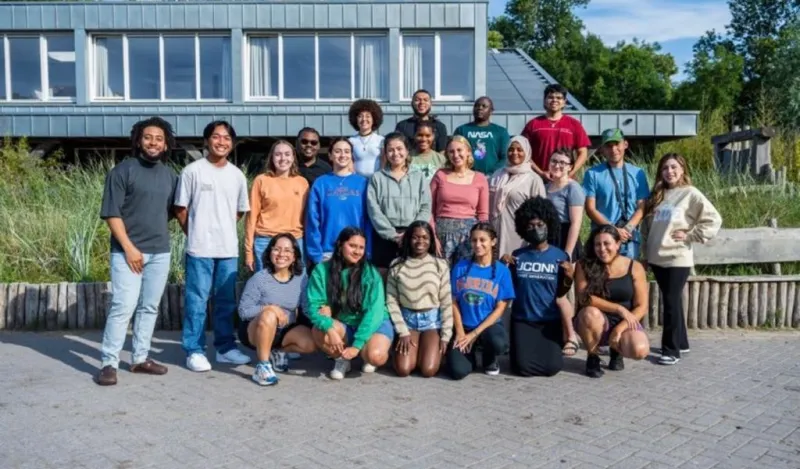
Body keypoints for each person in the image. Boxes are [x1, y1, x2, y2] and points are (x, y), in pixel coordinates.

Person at [96, 117, 178, 386]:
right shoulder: (122, 171)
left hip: (160, 252)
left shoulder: (170, 175)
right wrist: (130, 248)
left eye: (159, 138)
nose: (153, 142)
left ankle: (140, 358)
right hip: (127, 253)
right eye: (148, 137)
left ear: (166, 144)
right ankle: (109, 362)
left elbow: (169, 213)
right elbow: (111, 213)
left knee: (149, 307)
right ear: (138, 140)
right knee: (123, 306)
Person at [175, 120, 252, 372]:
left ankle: (225, 348)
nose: (222, 142)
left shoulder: (237, 175)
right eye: (217, 137)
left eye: (227, 138)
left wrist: (222, 230)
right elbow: (181, 209)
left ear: (232, 143)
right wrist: (196, 232)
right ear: (207, 140)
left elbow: (239, 211)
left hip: (227, 249)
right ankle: (194, 350)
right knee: (196, 301)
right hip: (199, 249)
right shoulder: (193, 171)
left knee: (226, 302)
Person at [641, 153, 721, 366]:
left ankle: (671, 350)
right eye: (665, 168)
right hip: (656, 258)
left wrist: (691, 235)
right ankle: (682, 342)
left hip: (677, 257)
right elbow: (647, 228)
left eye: (674, 167)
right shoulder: (657, 195)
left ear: (683, 169)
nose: (670, 171)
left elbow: (713, 219)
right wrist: (645, 254)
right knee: (672, 300)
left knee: (670, 301)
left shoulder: (690, 194)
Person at [306, 227, 395, 380]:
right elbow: (313, 307)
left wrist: (357, 345)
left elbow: (374, 313)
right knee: (319, 330)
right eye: (352, 246)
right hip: (344, 323)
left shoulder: (370, 274)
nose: (357, 251)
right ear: (340, 245)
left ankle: (365, 351)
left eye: (361, 247)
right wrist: (330, 330)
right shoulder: (321, 270)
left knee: (376, 356)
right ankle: (342, 359)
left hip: (374, 323)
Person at [504, 197, 577, 377]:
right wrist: (502, 266)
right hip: (523, 319)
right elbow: (508, 288)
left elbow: (561, 293)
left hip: (549, 320)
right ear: (523, 229)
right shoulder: (517, 256)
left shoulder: (559, 256)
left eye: (540, 224)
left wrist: (569, 278)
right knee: (522, 368)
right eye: (530, 226)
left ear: (548, 224)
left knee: (552, 367)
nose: (536, 229)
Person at [237, 234, 317, 386]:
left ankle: (278, 352)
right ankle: (262, 366)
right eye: (277, 249)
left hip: (285, 329)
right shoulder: (259, 279)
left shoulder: (301, 279)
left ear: (294, 257)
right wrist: (270, 308)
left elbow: (306, 307)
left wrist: (323, 317)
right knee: (268, 315)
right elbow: (243, 311)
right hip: (255, 329)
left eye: (287, 250)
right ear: (270, 252)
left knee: (310, 343)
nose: (281, 254)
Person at [575, 225, 651, 378]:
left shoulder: (634, 267)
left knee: (639, 350)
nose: (602, 249)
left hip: (625, 321)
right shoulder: (583, 265)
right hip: (596, 320)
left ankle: (616, 351)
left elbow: (642, 306)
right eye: (597, 244)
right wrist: (618, 308)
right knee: (590, 313)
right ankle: (593, 356)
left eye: (606, 244)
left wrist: (619, 329)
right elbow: (584, 297)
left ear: (618, 244)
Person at [446, 223, 515, 379]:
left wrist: (475, 334)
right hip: (464, 327)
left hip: (487, 328)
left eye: (482, 240)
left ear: (493, 242)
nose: (477, 245)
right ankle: (469, 356)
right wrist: (461, 333)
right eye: (474, 240)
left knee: (499, 343)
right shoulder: (460, 267)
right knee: (458, 371)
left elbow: (499, 309)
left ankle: (489, 357)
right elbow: (453, 301)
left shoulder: (502, 271)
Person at [386, 221, 453, 378]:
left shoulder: (440, 264)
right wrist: (402, 331)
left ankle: (431, 354)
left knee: (428, 370)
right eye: (415, 237)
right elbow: (391, 300)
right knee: (403, 369)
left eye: (425, 237)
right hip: (408, 321)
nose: (420, 241)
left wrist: (445, 336)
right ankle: (413, 353)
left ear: (431, 240)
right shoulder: (397, 265)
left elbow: (446, 301)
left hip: (431, 322)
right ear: (408, 239)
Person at [367, 132, 432, 272]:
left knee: (412, 277)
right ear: (385, 153)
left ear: (407, 151)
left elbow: (425, 207)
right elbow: (374, 210)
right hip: (384, 237)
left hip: (413, 237)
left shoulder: (418, 177)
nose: (395, 153)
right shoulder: (377, 178)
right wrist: (393, 235)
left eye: (399, 149)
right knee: (384, 276)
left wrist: (411, 232)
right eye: (390, 150)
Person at [305, 138, 372, 269]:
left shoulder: (362, 183)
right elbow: (312, 220)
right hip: (328, 252)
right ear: (330, 155)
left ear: (351, 156)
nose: (342, 155)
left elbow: (368, 220)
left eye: (347, 151)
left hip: (356, 252)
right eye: (338, 151)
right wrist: (315, 254)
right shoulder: (321, 183)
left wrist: (367, 251)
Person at [583, 128, 650, 260]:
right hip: (603, 237)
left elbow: (642, 206)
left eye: (617, 144)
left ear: (625, 144)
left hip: (629, 237)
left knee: (627, 277)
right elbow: (590, 208)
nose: (613, 149)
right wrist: (612, 229)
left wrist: (628, 228)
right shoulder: (592, 174)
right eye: (608, 146)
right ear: (602, 149)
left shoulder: (638, 173)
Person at [244, 140, 309, 273]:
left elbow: (307, 218)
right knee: (266, 287)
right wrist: (248, 252)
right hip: (266, 241)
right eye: (278, 154)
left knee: (296, 286)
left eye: (287, 154)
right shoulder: (261, 180)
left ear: (293, 157)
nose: (283, 158)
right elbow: (251, 219)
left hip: (295, 241)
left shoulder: (302, 183)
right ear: (272, 158)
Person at [431, 136, 489, 264]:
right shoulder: (440, 175)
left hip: (469, 237)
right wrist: (432, 236)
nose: (455, 155)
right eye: (451, 152)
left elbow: (483, 215)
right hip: (441, 236)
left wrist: (481, 239)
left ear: (468, 151)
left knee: (465, 276)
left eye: (459, 150)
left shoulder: (480, 178)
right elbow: (429, 209)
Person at [488, 136, 545, 257]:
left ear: (527, 152)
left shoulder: (533, 179)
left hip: (519, 237)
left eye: (519, 149)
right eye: (511, 149)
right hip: (494, 232)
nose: (515, 153)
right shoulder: (497, 175)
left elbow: (540, 214)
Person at [521, 84, 591, 181]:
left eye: (559, 98)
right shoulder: (533, 124)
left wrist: (570, 173)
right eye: (550, 97)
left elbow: (583, 153)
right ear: (544, 101)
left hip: (565, 181)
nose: (554, 100)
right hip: (537, 180)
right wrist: (540, 173)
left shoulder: (574, 124)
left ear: (564, 102)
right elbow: (523, 152)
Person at [546, 147, 586, 262]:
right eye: (554, 161)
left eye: (562, 162)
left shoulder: (573, 188)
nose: (557, 165)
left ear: (570, 167)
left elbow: (576, 223)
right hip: (548, 237)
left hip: (565, 236)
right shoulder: (546, 187)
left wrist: (567, 253)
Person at [453, 96, 511, 175]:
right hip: (467, 177)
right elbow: (454, 153)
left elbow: (505, 157)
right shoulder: (462, 130)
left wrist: (491, 173)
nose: (480, 108)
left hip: (493, 178)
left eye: (484, 106)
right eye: (477, 106)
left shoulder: (501, 132)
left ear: (491, 111)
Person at [348, 99, 385, 178]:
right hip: (357, 182)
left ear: (373, 119)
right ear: (355, 119)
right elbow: (349, 162)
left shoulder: (381, 140)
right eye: (360, 116)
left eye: (368, 116)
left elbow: (384, 162)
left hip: (376, 181)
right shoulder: (350, 141)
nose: (364, 119)